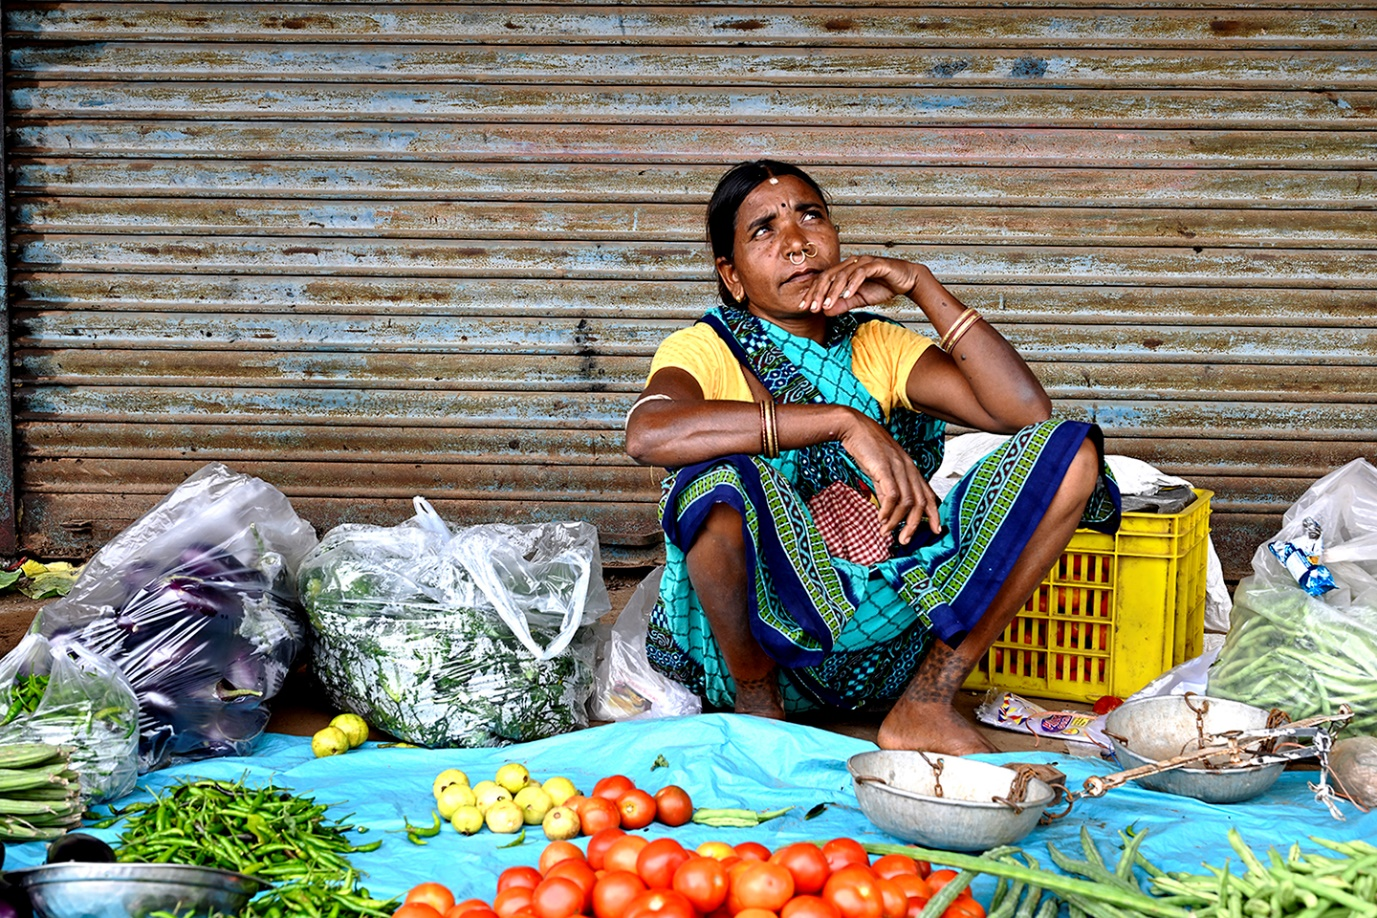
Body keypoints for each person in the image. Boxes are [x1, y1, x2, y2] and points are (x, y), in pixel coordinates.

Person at [624, 160, 1120, 754]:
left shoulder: (875, 341)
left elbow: (1023, 412)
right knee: (715, 483)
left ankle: (927, 702)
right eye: (764, 230)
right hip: (760, 646)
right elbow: (648, 433)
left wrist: (921, 285)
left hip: (890, 635)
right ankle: (758, 702)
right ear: (732, 276)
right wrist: (841, 422)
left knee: (1068, 454)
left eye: (810, 216)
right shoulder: (707, 347)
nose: (797, 242)